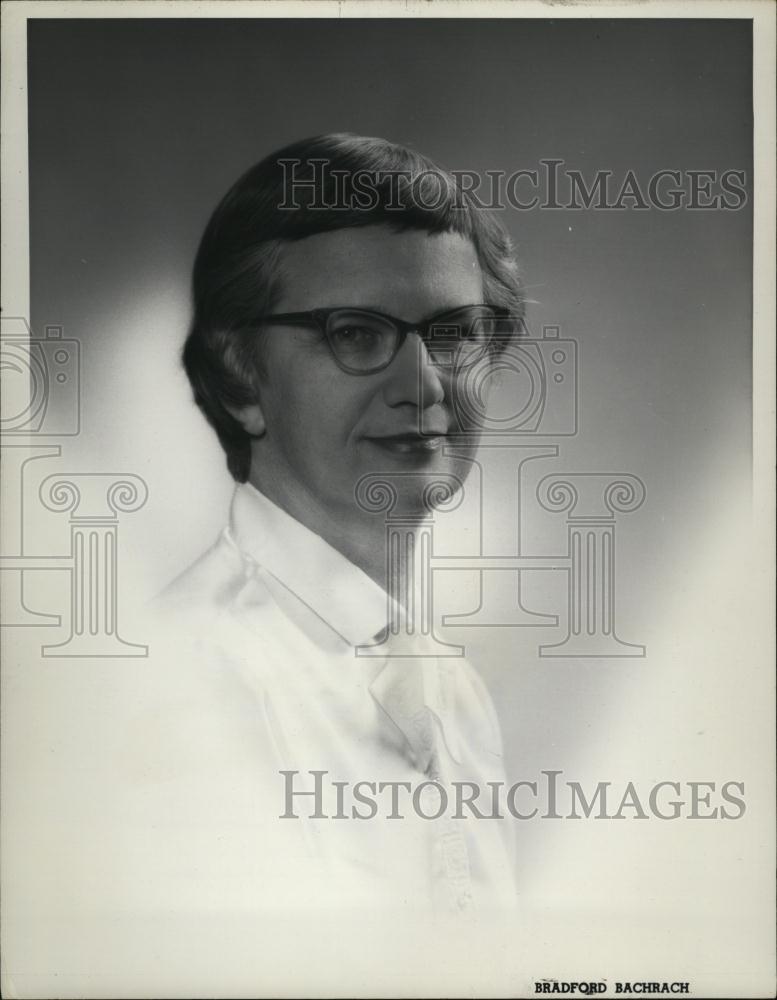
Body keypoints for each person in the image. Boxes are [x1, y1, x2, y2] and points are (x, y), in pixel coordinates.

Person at [148, 133, 526, 915]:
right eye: (356, 334)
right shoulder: (181, 680)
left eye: (456, 333)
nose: (424, 385)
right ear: (238, 375)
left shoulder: (452, 691)